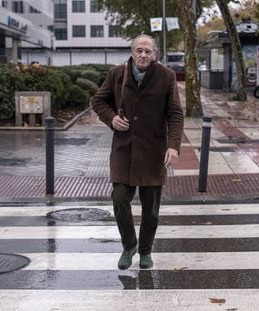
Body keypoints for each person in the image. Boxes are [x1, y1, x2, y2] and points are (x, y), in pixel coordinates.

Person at [91, 34, 184, 270]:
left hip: (154, 150)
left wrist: (173, 145)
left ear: (155, 55)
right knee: (120, 198)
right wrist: (111, 119)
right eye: (139, 50)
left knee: (151, 208)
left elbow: (175, 114)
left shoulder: (166, 76)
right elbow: (98, 101)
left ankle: (145, 251)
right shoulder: (117, 74)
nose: (143, 55)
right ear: (132, 52)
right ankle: (129, 245)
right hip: (124, 148)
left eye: (148, 51)